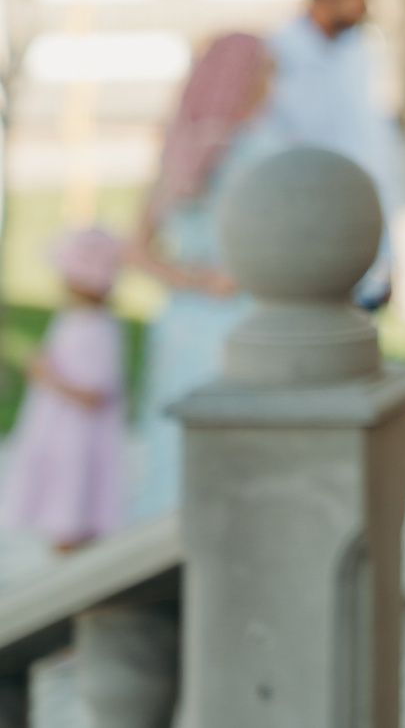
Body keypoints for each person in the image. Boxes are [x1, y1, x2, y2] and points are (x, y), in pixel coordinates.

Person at [128, 31, 283, 519]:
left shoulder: (178, 152)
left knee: (179, 450)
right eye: (265, 74)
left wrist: (191, 280)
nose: (272, 87)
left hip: (180, 326)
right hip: (237, 327)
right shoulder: (257, 153)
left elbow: (136, 250)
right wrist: (214, 280)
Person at [265, 0, 404, 308]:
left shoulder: (363, 52)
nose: (364, 5)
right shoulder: (278, 55)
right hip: (305, 234)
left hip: (361, 229)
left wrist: (391, 253)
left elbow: (379, 152)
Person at [1, 229, 130, 551]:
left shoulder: (98, 328)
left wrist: (46, 376)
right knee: (59, 512)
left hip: (76, 441)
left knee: (71, 509)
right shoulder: (72, 319)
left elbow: (94, 395)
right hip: (56, 434)